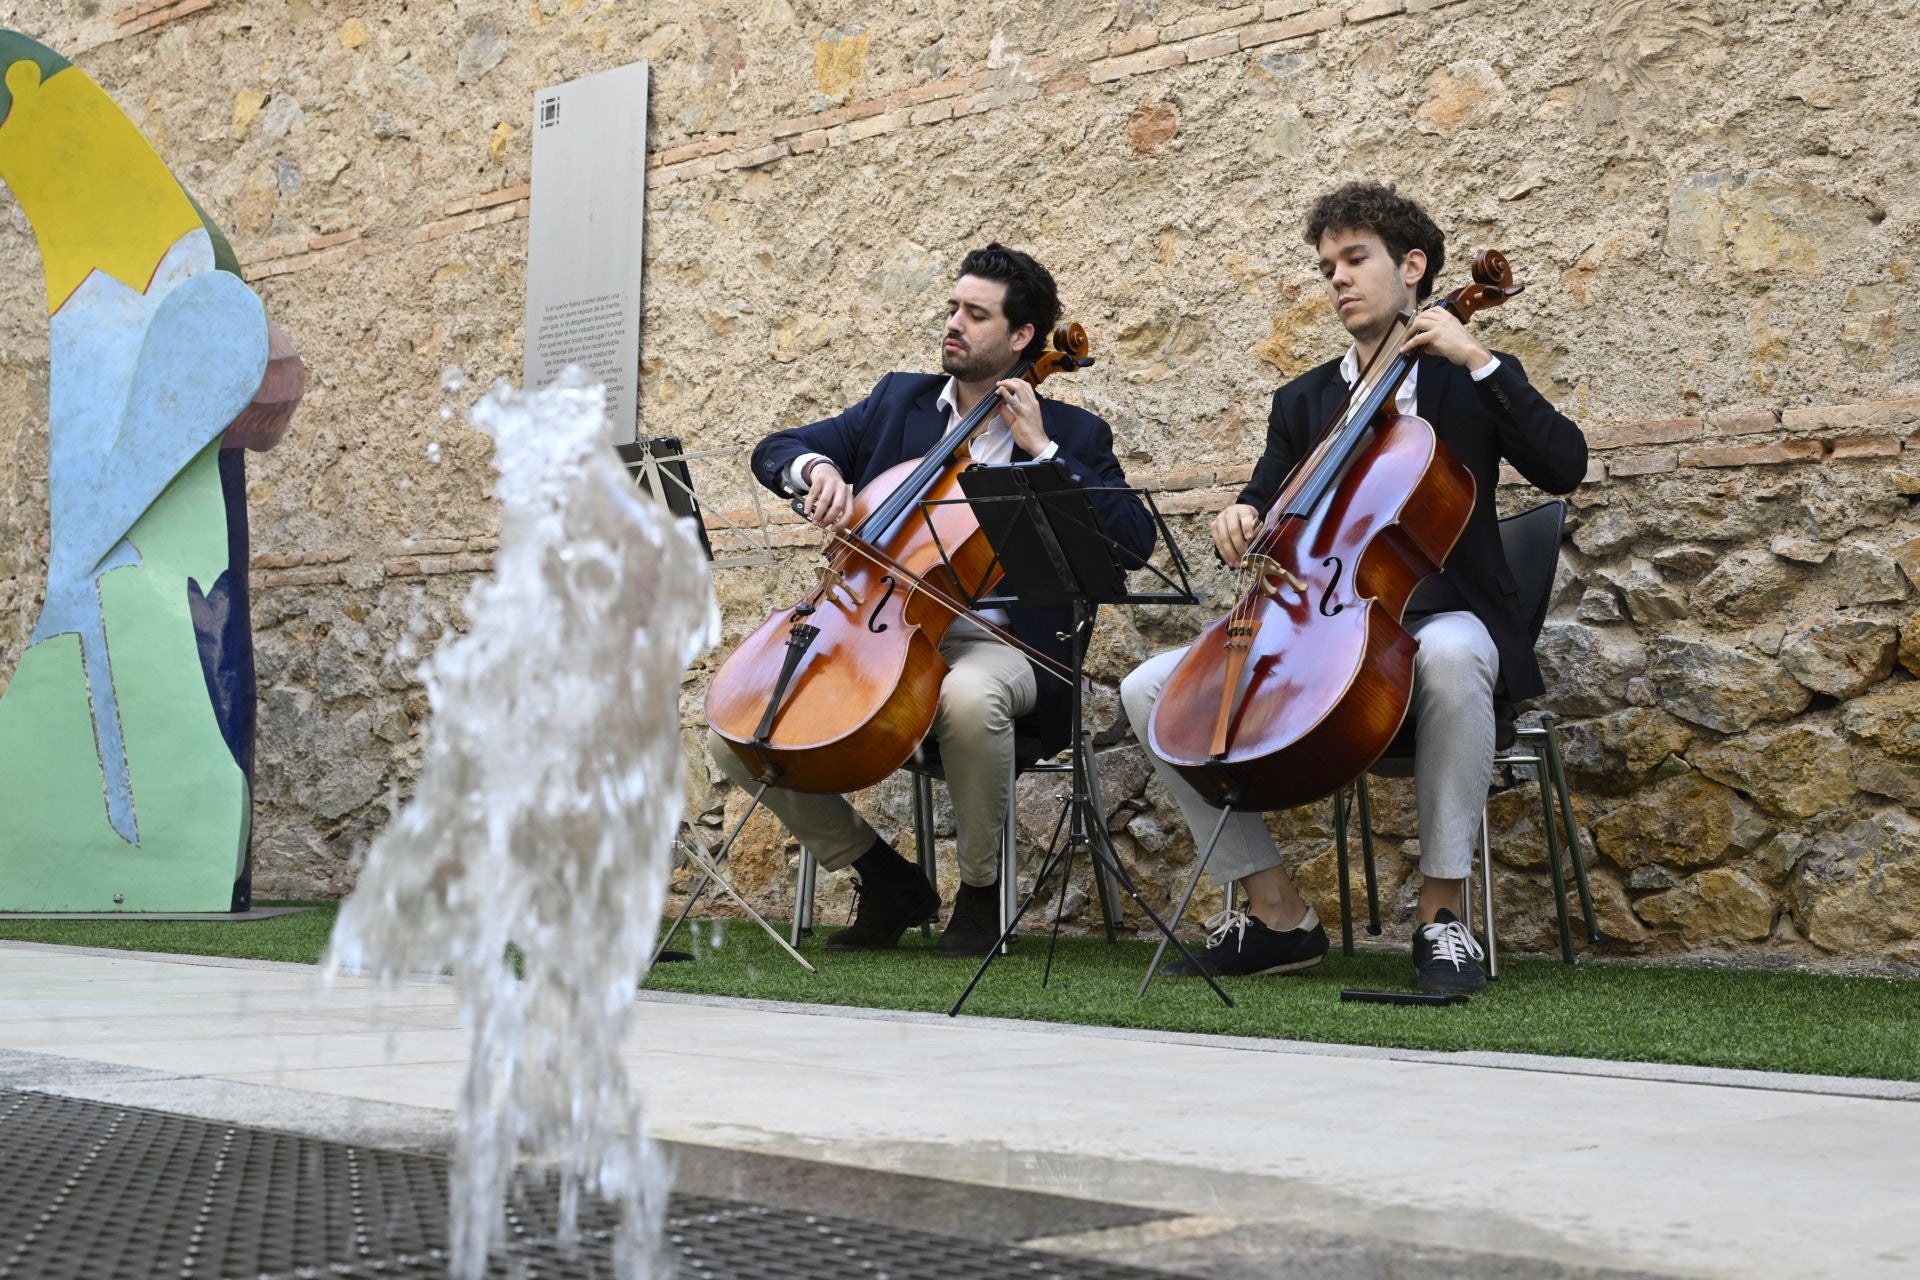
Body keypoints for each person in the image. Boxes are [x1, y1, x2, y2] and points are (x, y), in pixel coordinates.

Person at [1120, 183, 1589, 993]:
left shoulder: (1462, 382)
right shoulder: (1304, 400)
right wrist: (1240, 518)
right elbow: (1266, 503)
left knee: (1447, 653)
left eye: (1355, 259)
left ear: (1413, 268)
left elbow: (1565, 466)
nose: (1337, 278)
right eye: (1328, 265)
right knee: (1148, 689)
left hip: (1443, 617)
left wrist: (1479, 362)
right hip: (1320, 624)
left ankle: (1442, 918)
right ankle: (1277, 915)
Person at [708, 244, 1154, 957]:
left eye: (975, 314)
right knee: (737, 731)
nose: (954, 323)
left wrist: (1040, 451)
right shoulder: (898, 402)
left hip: (1003, 643)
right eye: (953, 307)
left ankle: (979, 893)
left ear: (1021, 338)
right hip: (872, 624)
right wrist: (813, 467)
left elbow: (1132, 544)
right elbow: (776, 448)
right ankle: (882, 876)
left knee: (968, 698)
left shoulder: (1075, 434)